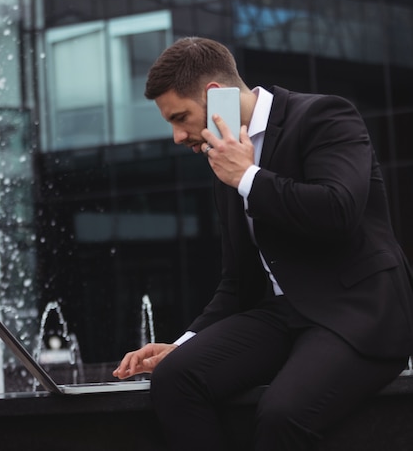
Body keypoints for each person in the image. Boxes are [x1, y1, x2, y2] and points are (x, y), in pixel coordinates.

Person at [113, 37, 413, 451]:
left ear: (215, 96)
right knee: (175, 379)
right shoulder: (225, 159)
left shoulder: (325, 115)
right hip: (282, 316)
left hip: (358, 311)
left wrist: (248, 177)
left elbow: (338, 211)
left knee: (281, 413)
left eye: (181, 117)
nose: (177, 136)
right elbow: (237, 280)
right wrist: (183, 344)